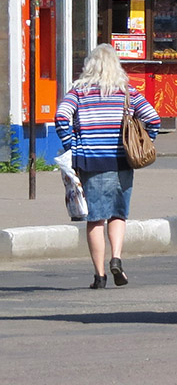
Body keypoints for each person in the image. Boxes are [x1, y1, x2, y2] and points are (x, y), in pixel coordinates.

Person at [54, 44, 160, 289]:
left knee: (95, 219)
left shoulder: (78, 92)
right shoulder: (127, 92)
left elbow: (61, 116)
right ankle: (117, 258)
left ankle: (99, 276)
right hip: (123, 160)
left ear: (90, 65)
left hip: (90, 161)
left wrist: (71, 144)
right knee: (118, 214)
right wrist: (145, 142)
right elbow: (152, 118)